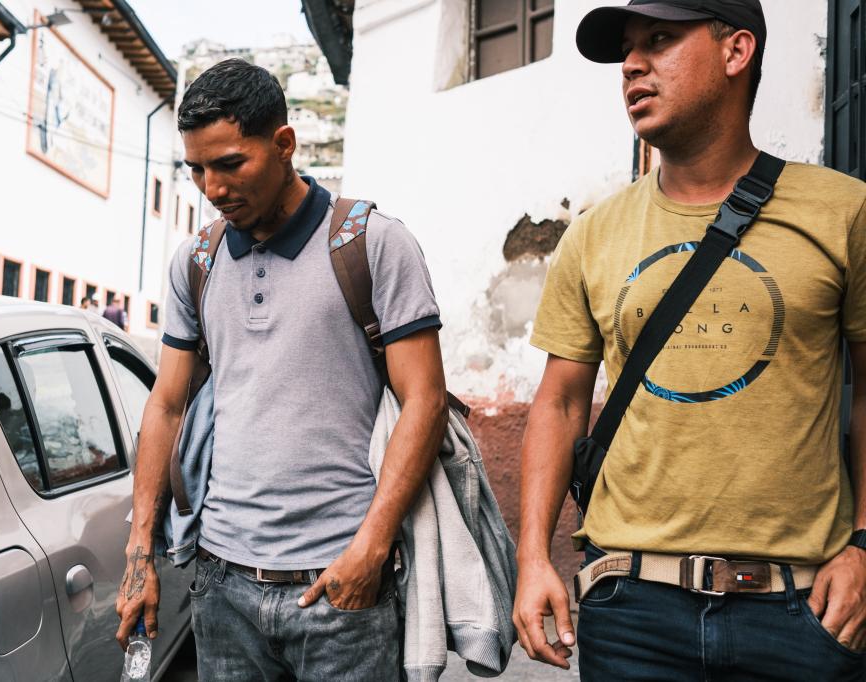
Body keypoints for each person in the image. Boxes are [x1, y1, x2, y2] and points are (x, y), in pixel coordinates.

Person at [514, 1, 866, 679]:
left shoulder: (841, 211)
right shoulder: (594, 233)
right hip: (632, 609)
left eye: (660, 40)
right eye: (627, 49)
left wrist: (864, 547)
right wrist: (533, 560)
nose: (632, 65)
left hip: (799, 610)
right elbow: (558, 405)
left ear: (736, 52)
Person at [114, 58, 449, 680]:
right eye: (197, 170)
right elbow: (166, 404)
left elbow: (425, 398)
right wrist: (141, 553)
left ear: (284, 144)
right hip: (221, 584)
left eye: (230, 163)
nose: (212, 188)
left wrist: (370, 550)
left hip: (342, 586)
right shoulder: (197, 261)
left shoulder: (372, 243)